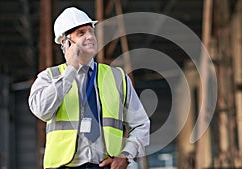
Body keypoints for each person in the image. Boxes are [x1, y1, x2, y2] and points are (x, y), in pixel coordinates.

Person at [28, 7, 150, 169]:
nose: (90, 37)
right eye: (81, 33)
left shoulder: (117, 77)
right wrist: (71, 70)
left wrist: (126, 156)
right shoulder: (49, 77)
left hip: (104, 166)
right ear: (65, 42)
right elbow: (42, 111)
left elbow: (141, 124)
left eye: (91, 31)